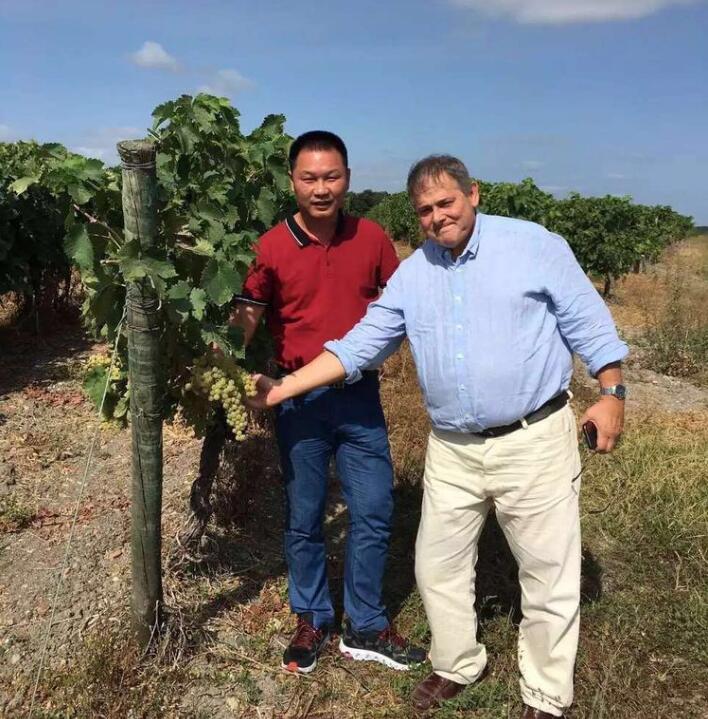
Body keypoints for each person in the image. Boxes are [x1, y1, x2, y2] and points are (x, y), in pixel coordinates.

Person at [248, 155, 628, 718]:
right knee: (436, 565)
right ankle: (457, 662)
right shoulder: (415, 274)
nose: (437, 217)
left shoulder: (532, 245)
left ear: (473, 194)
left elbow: (588, 322)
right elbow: (359, 345)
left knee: (547, 571)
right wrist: (283, 389)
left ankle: (546, 693)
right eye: (425, 210)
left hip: (532, 437)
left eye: (446, 202)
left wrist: (611, 392)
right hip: (452, 447)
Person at [230, 131, 425, 675]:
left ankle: (365, 623)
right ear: (292, 181)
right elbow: (246, 319)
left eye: (331, 177)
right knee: (305, 515)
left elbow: (401, 305)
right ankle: (313, 617)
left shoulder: (372, 237)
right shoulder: (269, 246)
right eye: (310, 178)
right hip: (298, 400)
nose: (321, 189)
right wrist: (220, 364)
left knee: (374, 510)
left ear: (348, 179)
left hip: (359, 396)